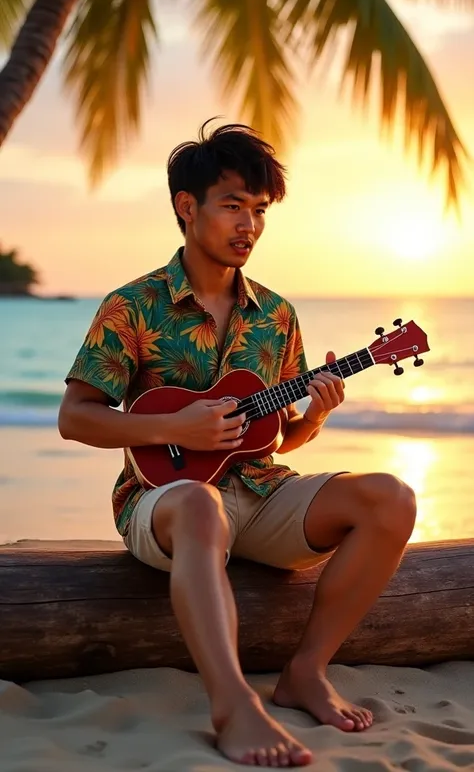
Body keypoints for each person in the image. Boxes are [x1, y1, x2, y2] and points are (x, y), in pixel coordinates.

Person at [58, 120, 416, 768]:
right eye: (233, 206)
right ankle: (232, 705)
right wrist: (173, 428)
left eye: (259, 210)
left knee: (390, 498)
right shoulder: (132, 306)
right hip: (163, 500)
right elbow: (76, 418)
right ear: (186, 206)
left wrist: (315, 417)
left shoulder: (275, 315)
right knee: (198, 501)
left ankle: (306, 670)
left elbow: (275, 435)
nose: (248, 224)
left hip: (258, 491)